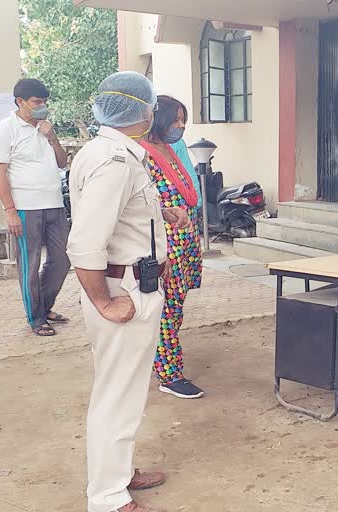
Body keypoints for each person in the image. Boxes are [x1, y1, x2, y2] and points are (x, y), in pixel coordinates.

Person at [67, 71, 191, 512]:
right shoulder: (116, 162)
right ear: (141, 110)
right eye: (152, 106)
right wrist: (104, 299)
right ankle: (106, 497)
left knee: (123, 389)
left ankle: (118, 473)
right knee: (117, 394)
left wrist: (164, 212)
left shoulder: (106, 152)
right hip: (125, 289)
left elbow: (124, 212)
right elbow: (84, 243)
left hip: (131, 282)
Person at [0, 78, 71, 336]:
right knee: (30, 264)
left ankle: (44, 307)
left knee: (63, 259)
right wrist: (10, 210)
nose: (42, 106)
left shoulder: (44, 129)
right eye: (37, 102)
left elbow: (60, 163)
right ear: (20, 102)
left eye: (45, 101)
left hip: (54, 204)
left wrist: (52, 137)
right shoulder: (4, 130)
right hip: (25, 208)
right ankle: (36, 318)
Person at [140, 95, 204, 399]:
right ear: (158, 118)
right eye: (175, 120)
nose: (179, 126)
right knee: (165, 308)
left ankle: (158, 361)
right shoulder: (143, 154)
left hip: (184, 238)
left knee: (175, 306)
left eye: (183, 121)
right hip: (165, 241)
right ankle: (169, 373)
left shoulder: (169, 149)